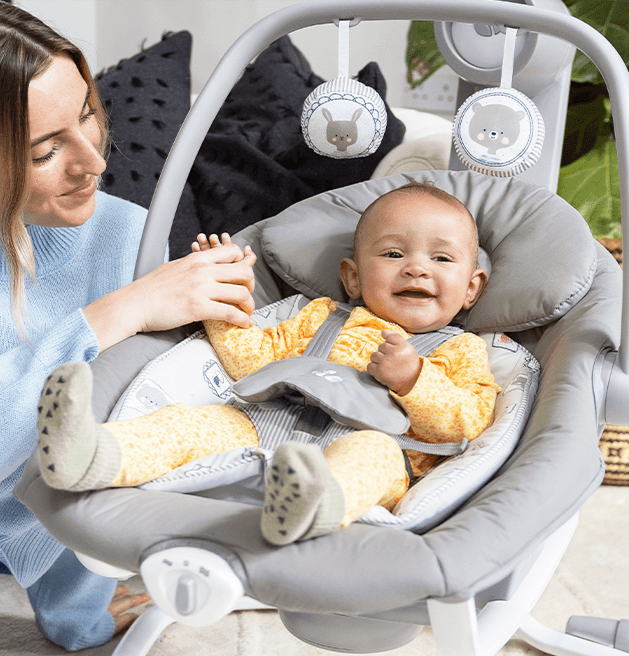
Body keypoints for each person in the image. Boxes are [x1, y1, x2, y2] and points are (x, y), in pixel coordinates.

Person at [0, 1, 255, 656]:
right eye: (44, 150)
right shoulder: (127, 289)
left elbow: (87, 445)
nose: (93, 161)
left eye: (87, 114)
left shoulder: (126, 235)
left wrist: (79, 607)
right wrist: (116, 314)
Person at [37, 183, 500, 546]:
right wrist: (224, 299)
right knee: (190, 424)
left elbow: (469, 423)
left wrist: (414, 380)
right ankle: (92, 454)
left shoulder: (461, 350)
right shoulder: (320, 317)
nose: (417, 268)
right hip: (264, 428)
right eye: (393, 254)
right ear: (353, 278)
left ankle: (314, 506)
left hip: (376, 444)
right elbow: (252, 361)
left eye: (441, 258)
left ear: (471, 288)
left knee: (371, 459)